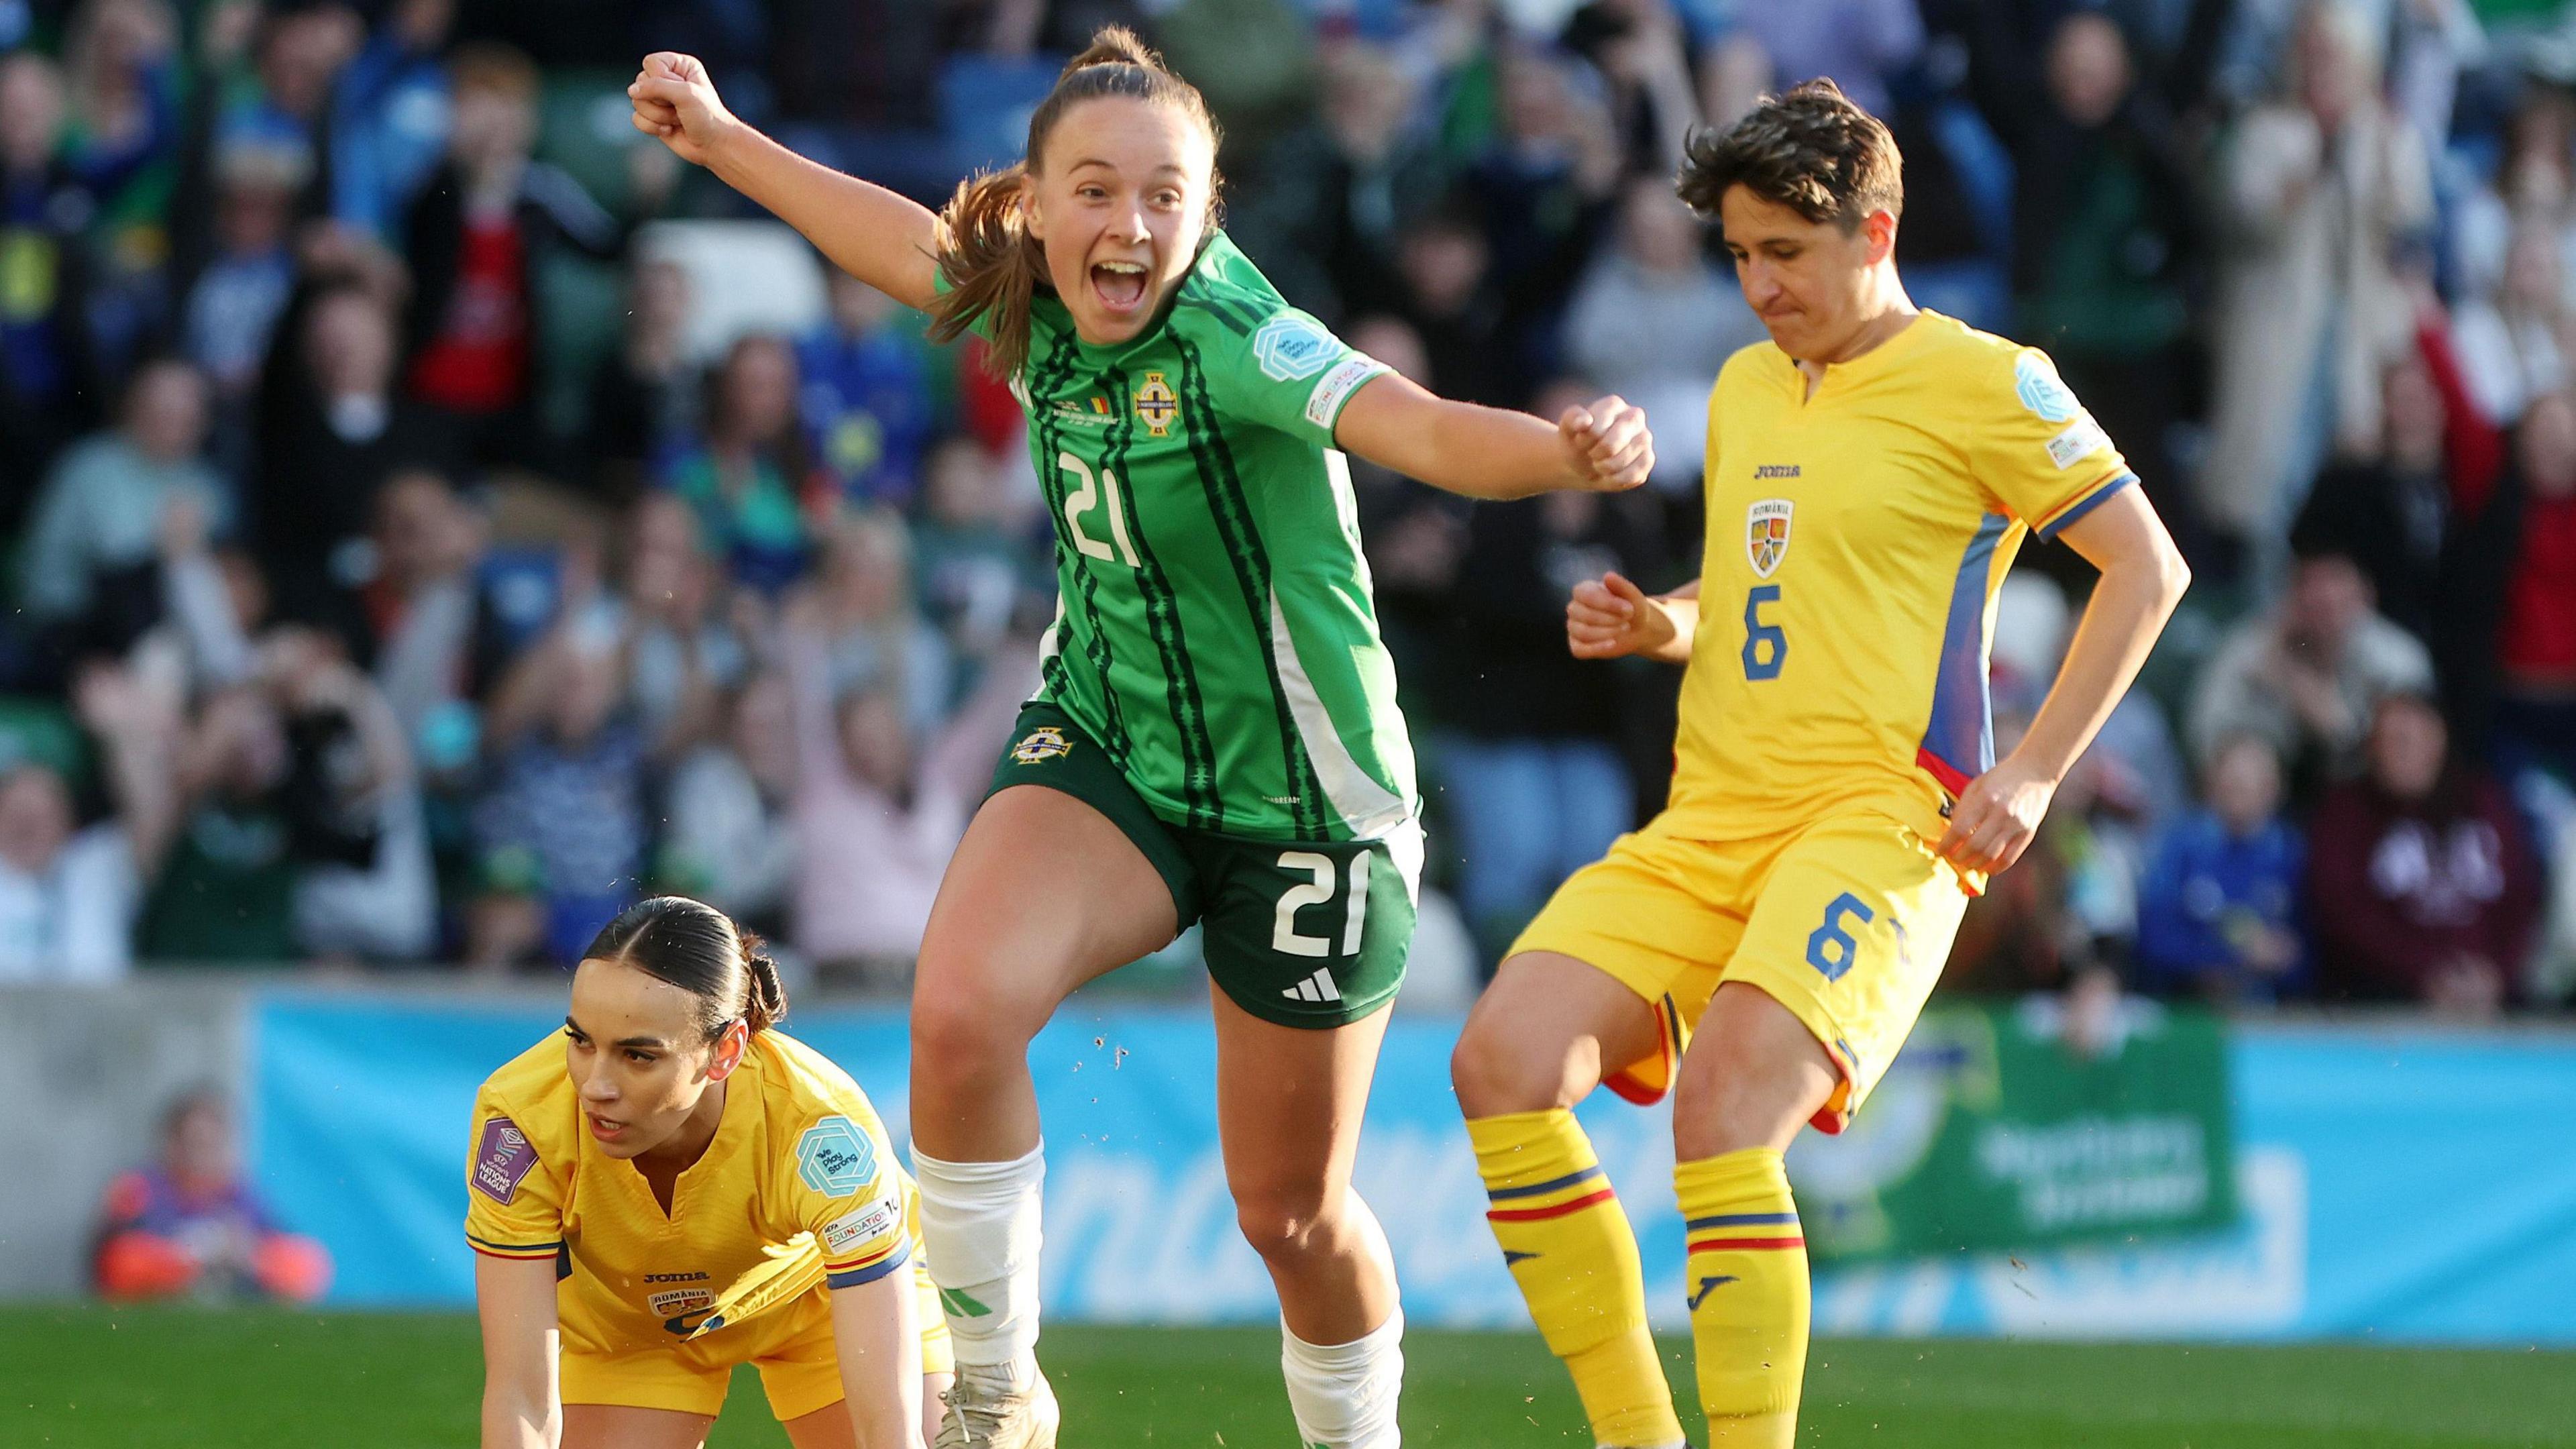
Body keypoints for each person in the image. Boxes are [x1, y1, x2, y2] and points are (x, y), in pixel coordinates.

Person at [629, 30, 1654, 1449]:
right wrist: (726, 139)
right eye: (1097, 193)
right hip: (1112, 743)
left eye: (1165, 195)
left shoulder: (1242, 338)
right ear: (1038, 207)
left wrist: (1562, 451)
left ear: (1206, 210)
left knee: (1289, 1216)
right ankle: (994, 1388)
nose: (1131, 224)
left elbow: (1410, 426)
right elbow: (906, 248)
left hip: (1309, 809)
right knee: (959, 1014)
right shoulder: (1023, 298)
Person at [1445, 82, 2190, 1449]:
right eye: (1738, 255)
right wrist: (1662, 621)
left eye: (1783, 252)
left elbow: (2150, 566)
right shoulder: (1745, 387)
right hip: (1712, 817)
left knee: (1726, 1110)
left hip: (1881, 820)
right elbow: (1758, 594)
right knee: (1501, 1060)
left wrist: (2030, 769)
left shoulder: (1988, 381)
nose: (1756, 286)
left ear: (1877, 233)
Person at [469, 896, 953, 1449]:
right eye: (580, 1041)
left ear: (725, 1051)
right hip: (628, 1334)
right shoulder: (520, 1120)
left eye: (638, 1056)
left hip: (815, 1304)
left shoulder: (821, 1125)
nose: (594, 1086)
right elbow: (520, 1399)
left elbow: (891, 1437)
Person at [2306, 692, 2544, 1016]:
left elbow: (2521, 896)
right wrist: (2424, 972)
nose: (2404, 751)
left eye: (2416, 739)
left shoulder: (2485, 801)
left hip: (2489, 992)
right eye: (2393, 741)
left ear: (2440, 741)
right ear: (2371, 748)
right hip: (2385, 998)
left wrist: (2498, 973)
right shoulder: (2346, 812)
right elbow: (2343, 914)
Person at [93, 1087, 330, 1303]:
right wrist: (184, 1256)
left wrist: (245, 1254)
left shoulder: (241, 1195)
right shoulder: (141, 1189)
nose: (200, 1156)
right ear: (173, 1143)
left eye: (211, 1145)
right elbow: (114, 1262)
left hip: (235, 1285)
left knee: (307, 1258)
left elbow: (295, 1261)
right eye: (193, 1143)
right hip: (164, 1289)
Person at [2133, 733, 2308, 1003]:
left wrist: (2284, 956)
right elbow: (2153, 937)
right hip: (2187, 1006)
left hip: (2275, 1017)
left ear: (2275, 790)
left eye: (2256, 785)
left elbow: (2312, 948)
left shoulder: (2291, 854)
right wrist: (2228, 954)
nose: (2243, 795)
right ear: (2212, 783)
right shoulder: (2181, 847)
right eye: (2234, 784)